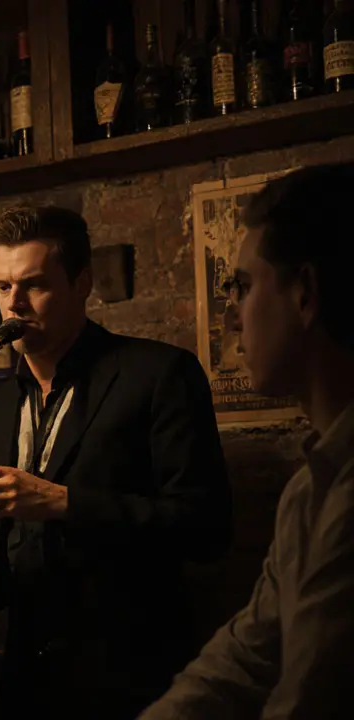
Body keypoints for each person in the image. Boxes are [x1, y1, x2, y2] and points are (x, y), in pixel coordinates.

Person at [0, 205, 233, 719]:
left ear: (83, 283)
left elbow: (206, 528)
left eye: (33, 285)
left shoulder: (160, 374)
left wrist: (62, 502)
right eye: (2, 287)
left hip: (131, 680)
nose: (14, 306)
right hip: (26, 685)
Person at [139, 164, 354, 719]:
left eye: (244, 285)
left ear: (304, 293)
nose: (233, 315)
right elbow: (245, 658)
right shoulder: (311, 488)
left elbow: (309, 702)